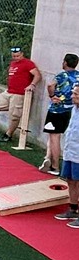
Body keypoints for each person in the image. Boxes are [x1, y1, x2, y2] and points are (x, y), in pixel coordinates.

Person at [41, 53, 79, 174]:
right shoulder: (78, 76)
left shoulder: (62, 75)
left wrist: (52, 95)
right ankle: (47, 157)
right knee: (54, 134)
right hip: (71, 109)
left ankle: (55, 166)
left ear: (65, 62)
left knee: (54, 136)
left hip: (57, 109)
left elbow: (50, 85)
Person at [0, 46, 42, 143]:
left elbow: (37, 75)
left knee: (14, 116)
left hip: (19, 94)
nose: (15, 57)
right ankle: (17, 109)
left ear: (22, 54)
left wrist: (32, 85)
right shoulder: (13, 63)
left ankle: (8, 134)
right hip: (9, 91)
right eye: (14, 56)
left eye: (17, 56)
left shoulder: (28, 63)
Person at [53, 84, 79, 227]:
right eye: (73, 93)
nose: (72, 96)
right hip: (71, 151)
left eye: (76, 94)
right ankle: (73, 209)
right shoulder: (75, 108)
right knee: (70, 180)